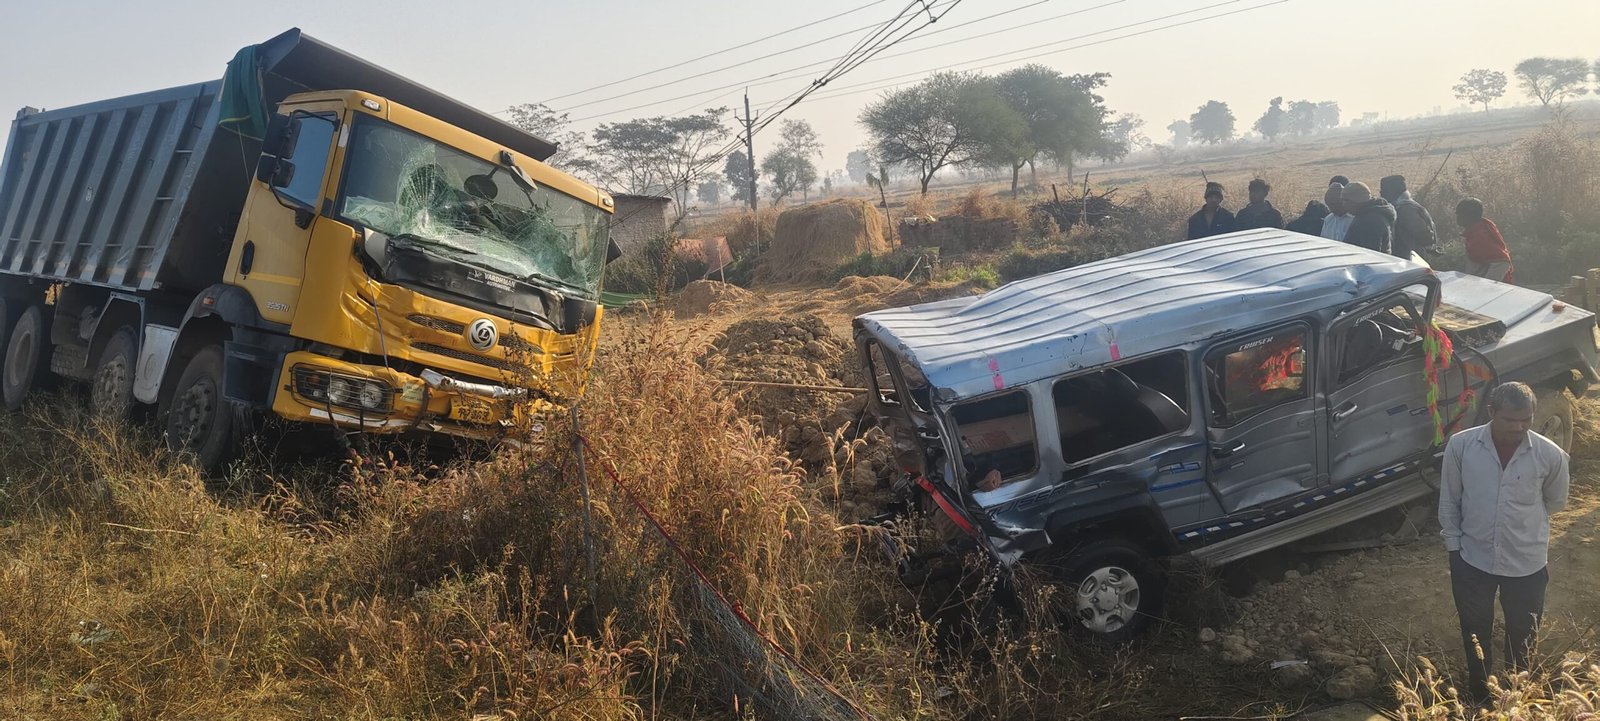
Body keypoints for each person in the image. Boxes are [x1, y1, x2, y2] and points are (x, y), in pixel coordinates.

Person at [1439, 382, 1569, 705]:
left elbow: (1555, 502)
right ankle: (1481, 697)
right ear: (1491, 412)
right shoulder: (1461, 447)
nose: (1519, 427)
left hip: (1526, 563)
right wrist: (1455, 551)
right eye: (1510, 420)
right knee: (1475, 631)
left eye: (1526, 419)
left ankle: (1515, 700)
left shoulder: (1550, 455)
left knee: (1523, 636)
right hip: (1472, 559)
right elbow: (1450, 501)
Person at [1380, 175, 1438, 261]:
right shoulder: (1405, 205)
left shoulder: (1406, 209)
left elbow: (1422, 234)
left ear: (1392, 192)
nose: (1381, 194)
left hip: (1410, 257)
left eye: (1384, 191)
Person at [1457, 197, 1514, 283]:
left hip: (1490, 289)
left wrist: (1486, 286)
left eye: (1459, 214)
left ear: (1469, 215)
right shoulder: (1475, 231)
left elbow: (1503, 262)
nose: (1457, 217)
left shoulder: (1481, 236)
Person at [1342, 181, 1396, 253]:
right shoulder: (1367, 215)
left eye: (1346, 200)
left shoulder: (1370, 221)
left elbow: (1369, 253)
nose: (1343, 204)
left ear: (1358, 200)